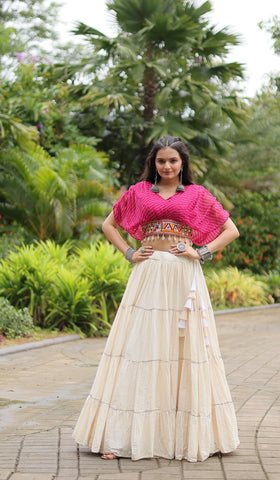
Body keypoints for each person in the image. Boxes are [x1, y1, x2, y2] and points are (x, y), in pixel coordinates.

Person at [72, 136, 240, 463]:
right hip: (148, 276)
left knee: (185, 348)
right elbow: (109, 225)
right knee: (140, 346)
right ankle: (122, 436)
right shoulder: (138, 192)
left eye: (173, 161)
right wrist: (129, 253)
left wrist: (200, 251)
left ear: (182, 164)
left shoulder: (197, 194)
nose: (166, 166)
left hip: (182, 276)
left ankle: (186, 436)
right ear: (154, 162)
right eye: (161, 161)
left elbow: (230, 230)